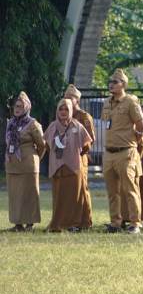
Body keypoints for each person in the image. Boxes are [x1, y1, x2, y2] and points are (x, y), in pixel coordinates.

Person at [101, 69, 143, 234]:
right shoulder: (107, 102)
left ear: (123, 84)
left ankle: (135, 223)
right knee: (112, 191)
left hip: (126, 152)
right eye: (110, 82)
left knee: (130, 189)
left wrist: (135, 142)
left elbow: (141, 126)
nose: (111, 84)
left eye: (115, 82)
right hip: (109, 152)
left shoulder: (130, 102)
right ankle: (116, 222)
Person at [43, 99, 93, 232]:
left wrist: (74, 155)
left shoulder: (77, 126)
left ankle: (74, 224)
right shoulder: (52, 127)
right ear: (57, 111)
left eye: (66, 109)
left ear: (71, 111)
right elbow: (46, 145)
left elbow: (87, 145)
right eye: (61, 109)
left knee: (74, 197)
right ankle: (58, 224)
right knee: (59, 197)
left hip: (74, 167)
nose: (63, 112)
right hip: (57, 168)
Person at [5, 92, 45, 231]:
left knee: (29, 194)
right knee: (15, 195)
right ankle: (17, 224)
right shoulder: (10, 123)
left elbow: (42, 144)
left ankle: (29, 224)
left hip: (28, 163)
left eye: (21, 107)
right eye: (16, 106)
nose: (17, 109)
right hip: (12, 164)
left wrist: (35, 158)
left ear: (27, 108)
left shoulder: (33, 124)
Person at [63, 84, 94, 228]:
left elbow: (90, 138)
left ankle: (86, 221)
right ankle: (70, 220)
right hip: (66, 159)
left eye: (71, 98)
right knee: (70, 190)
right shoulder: (64, 115)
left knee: (82, 188)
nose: (67, 100)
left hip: (80, 157)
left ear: (77, 101)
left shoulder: (84, 116)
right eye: (66, 97)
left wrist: (80, 151)